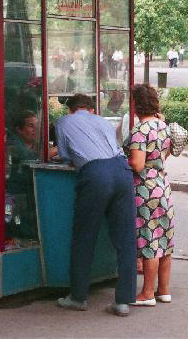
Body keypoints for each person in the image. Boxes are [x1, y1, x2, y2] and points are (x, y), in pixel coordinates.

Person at [54, 94, 136, 317]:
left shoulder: (62, 123)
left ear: (71, 110)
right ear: (90, 109)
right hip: (122, 171)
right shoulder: (103, 121)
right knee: (126, 238)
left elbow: (64, 156)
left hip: (95, 174)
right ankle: (123, 301)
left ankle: (78, 297)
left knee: (84, 236)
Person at [126, 84, 175, 306]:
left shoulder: (140, 130)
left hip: (145, 189)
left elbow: (137, 164)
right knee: (164, 239)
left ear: (137, 103)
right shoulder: (163, 126)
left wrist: (122, 159)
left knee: (149, 240)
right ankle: (163, 290)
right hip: (163, 185)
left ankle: (146, 293)